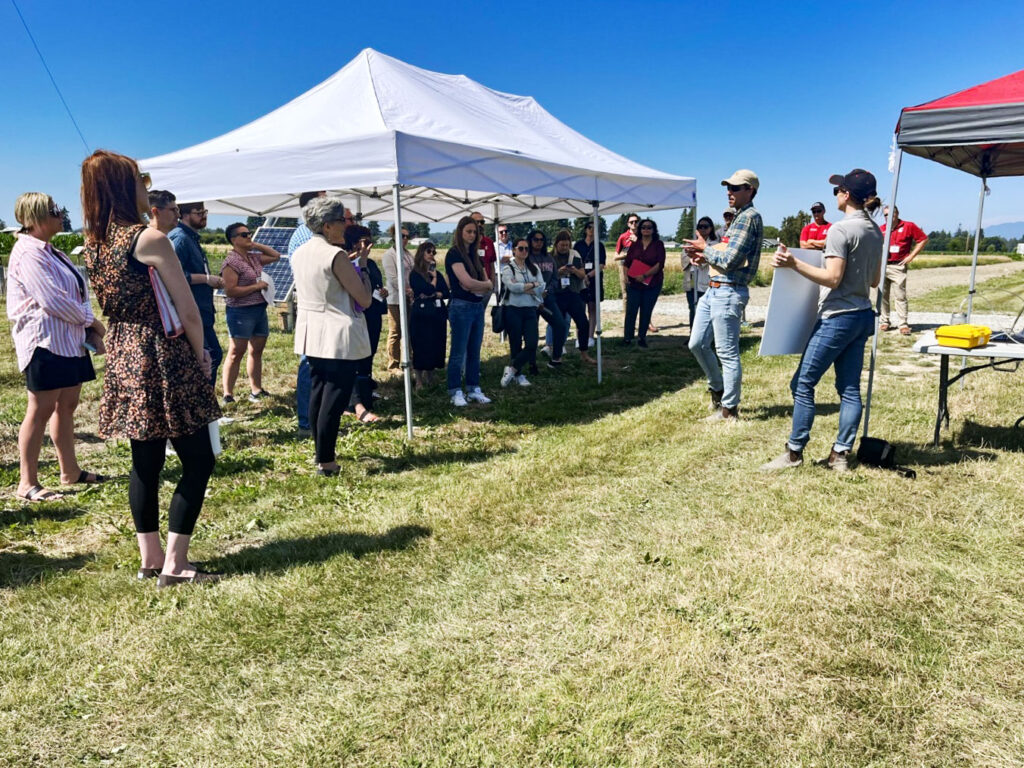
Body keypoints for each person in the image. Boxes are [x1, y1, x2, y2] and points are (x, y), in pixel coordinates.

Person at [81, 150, 221, 586]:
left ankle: (151, 560)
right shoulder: (148, 239)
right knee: (198, 458)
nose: (147, 186)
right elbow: (189, 311)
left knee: (145, 461)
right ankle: (176, 566)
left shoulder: (93, 243)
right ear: (126, 187)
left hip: (125, 350)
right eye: (141, 179)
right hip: (162, 351)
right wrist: (201, 356)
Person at [761, 169, 883, 472]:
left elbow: (832, 278)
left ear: (845, 195)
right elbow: (875, 280)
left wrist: (793, 262)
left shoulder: (840, 231)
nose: (835, 196)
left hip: (837, 318)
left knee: (802, 383)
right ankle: (840, 454)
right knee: (850, 389)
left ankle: (793, 453)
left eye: (837, 190)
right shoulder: (876, 231)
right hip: (862, 315)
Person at [8, 192, 107, 503]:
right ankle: (27, 483)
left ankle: (70, 472)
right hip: (45, 341)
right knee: (40, 410)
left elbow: (74, 293)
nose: (61, 215)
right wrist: (92, 321)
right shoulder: (28, 253)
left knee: (67, 406)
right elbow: (51, 301)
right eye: (54, 211)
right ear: (36, 216)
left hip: (68, 341)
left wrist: (85, 323)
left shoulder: (51, 251)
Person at [291, 197, 373, 475]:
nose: (346, 226)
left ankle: (320, 453)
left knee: (318, 391)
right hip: (337, 332)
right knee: (335, 397)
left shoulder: (301, 252)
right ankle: (326, 460)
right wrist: (361, 267)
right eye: (342, 221)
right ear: (327, 225)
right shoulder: (335, 255)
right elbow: (363, 297)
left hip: (312, 330)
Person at [684, 169, 764, 421]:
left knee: (727, 352)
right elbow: (726, 254)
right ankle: (718, 389)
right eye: (728, 187)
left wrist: (704, 249)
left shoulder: (749, 217)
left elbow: (730, 259)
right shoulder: (739, 217)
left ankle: (729, 409)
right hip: (715, 288)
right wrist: (704, 256)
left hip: (728, 291)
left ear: (750, 190)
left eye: (735, 188)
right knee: (696, 343)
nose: (729, 192)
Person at [220, 223, 280, 403]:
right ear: (233, 240)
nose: (248, 237)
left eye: (249, 233)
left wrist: (255, 245)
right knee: (236, 351)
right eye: (244, 235)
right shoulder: (231, 262)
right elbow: (230, 291)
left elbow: (275, 256)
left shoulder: (253, 258)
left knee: (257, 350)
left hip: (259, 309)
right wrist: (256, 286)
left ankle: (256, 389)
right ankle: (228, 394)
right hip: (241, 311)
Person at [168, 202, 223, 389]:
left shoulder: (190, 237)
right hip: (193, 310)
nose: (203, 216)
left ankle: (207, 408)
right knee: (209, 356)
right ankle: (205, 409)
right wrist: (206, 278)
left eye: (204, 212)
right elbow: (174, 276)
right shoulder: (180, 239)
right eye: (198, 213)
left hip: (202, 309)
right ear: (183, 215)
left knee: (212, 355)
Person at [287, 191, 328, 434]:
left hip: (317, 304)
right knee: (310, 364)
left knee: (316, 363)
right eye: (324, 201)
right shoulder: (306, 235)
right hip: (314, 305)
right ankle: (307, 422)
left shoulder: (309, 234)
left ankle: (313, 420)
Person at [445, 216, 493, 406]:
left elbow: (486, 281)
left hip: (476, 306)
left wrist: (478, 286)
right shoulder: (453, 254)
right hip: (461, 306)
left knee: (474, 350)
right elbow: (466, 283)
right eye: (469, 231)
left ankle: (473, 388)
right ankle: (455, 390)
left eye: (475, 232)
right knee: (458, 351)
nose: (473, 235)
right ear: (460, 232)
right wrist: (480, 285)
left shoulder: (475, 255)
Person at [343, 224, 384, 422]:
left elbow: (374, 283)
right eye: (364, 241)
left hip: (373, 312)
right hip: (357, 315)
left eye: (370, 241)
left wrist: (381, 291)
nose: (368, 245)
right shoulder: (345, 262)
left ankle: (366, 392)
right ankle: (354, 402)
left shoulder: (371, 263)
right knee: (355, 358)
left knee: (369, 353)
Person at [499, 237, 544, 387]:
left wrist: (526, 287)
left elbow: (541, 287)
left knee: (532, 343)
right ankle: (518, 375)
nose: (524, 251)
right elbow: (513, 288)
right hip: (513, 310)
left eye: (526, 249)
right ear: (514, 250)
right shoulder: (508, 269)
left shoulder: (534, 268)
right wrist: (531, 285)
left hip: (530, 309)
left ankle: (512, 368)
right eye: (521, 248)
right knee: (515, 343)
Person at [880, 205, 928, 335]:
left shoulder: (908, 226)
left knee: (900, 295)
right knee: (882, 295)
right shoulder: (881, 229)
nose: (889, 216)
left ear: (897, 213)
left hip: (898, 266)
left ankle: (903, 323)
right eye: (885, 214)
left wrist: (911, 256)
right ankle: (884, 321)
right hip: (883, 266)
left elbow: (923, 239)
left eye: (892, 213)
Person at [408, 241, 449, 389]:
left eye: (434, 252)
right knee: (421, 344)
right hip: (421, 314)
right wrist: (434, 283)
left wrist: (435, 292)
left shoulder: (436, 273)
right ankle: (419, 379)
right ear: (422, 253)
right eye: (429, 251)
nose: (432, 254)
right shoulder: (415, 274)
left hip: (436, 314)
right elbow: (424, 289)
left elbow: (445, 292)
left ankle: (430, 375)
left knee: (435, 343)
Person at [551, 229, 594, 363]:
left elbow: (583, 275)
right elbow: (547, 278)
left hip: (573, 293)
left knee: (583, 323)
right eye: (562, 245)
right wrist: (559, 272)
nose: (564, 248)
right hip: (557, 295)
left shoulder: (575, 255)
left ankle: (584, 353)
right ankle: (556, 355)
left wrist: (574, 270)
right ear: (556, 244)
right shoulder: (550, 257)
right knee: (560, 326)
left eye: (567, 245)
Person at [622, 218, 666, 348]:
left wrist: (645, 275)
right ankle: (627, 338)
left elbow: (660, 264)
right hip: (634, 283)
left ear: (653, 230)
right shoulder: (635, 245)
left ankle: (642, 337)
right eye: (643, 227)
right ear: (640, 230)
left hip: (652, 283)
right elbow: (627, 263)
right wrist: (625, 276)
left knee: (646, 310)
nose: (646, 229)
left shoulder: (658, 245)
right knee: (631, 310)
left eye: (649, 227)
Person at [528, 229, 568, 369]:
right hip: (531, 300)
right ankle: (531, 363)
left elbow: (555, 278)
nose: (539, 242)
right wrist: (536, 292)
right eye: (535, 239)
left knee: (560, 325)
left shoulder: (549, 258)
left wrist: (547, 291)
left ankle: (556, 358)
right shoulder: (527, 258)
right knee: (532, 332)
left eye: (541, 240)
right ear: (530, 241)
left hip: (548, 299)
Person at [381, 224, 414, 372]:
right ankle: (393, 364)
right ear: (394, 237)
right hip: (396, 299)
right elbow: (393, 278)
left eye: (407, 236)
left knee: (410, 330)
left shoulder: (408, 254)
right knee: (396, 331)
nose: (405, 239)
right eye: (402, 236)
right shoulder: (389, 255)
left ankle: (409, 360)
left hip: (409, 297)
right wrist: (406, 290)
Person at [574, 221, 607, 348]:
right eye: (589, 227)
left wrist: (588, 276)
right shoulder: (578, 245)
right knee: (579, 309)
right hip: (579, 278)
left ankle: (590, 336)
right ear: (585, 230)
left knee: (592, 308)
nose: (592, 230)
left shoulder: (600, 245)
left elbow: (601, 265)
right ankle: (580, 337)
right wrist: (582, 275)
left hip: (594, 279)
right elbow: (575, 261)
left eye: (594, 228)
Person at [683, 217, 715, 328]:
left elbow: (712, 259)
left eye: (705, 226)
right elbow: (683, 259)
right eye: (700, 227)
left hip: (707, 282)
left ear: (711, 228)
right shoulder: (691, 242)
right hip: (692, 281)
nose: (702, 229)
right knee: (693, 308)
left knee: (708, 310)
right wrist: (690, 257)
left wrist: (701, 257)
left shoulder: (714, 244)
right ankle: (692, 334)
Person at [615, 213, 640, 313]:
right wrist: (627, 255)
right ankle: (628, 320)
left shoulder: (643, 235)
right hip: (624, 266)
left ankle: (647, 321)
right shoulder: (623, 237)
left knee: (642, 293)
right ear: (628, 224)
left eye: (636, 221)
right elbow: (615, 256)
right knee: (626, 293)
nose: (634, 223)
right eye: (631, 222)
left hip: (639, 266)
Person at [471, 211, 497, 282]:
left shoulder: (489, 242)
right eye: (477, 222)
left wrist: (493, 281)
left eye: (482, 222)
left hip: (487, 285)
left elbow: (492, 264)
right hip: (472, 285)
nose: (479, 224)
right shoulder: (467, 242)